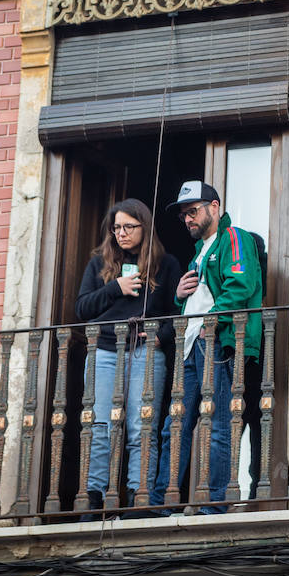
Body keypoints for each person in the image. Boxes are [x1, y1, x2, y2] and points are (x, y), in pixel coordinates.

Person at [152, 181, 263, 513]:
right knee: (175, 425)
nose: (188, 219)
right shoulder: (201, 251)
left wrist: (210, 322)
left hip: (215, 341)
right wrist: (178, 295)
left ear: (215, 207)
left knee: (216, 425)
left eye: (194, 211)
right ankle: (163, 502)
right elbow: (200, 296)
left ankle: (214, 504)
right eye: (184, 214)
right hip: (191, 343)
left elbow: (241, 285)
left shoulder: (234, 238)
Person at [74, 198, 182, 515]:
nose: (121, 233)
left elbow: (179, 311)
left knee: (141, 428)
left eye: (129, 227)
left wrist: (161, 336)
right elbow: (82, 309)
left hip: (146, 353)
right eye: (116, 227)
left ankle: (140, 497)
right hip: (105, 352)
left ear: (143, 227)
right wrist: (116, 288)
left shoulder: (167, 264)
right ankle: (93, 499)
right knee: (100, 428)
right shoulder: (99, 263)